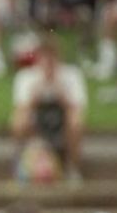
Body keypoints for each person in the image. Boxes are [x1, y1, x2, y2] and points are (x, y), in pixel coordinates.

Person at [11, 36, 87, 181]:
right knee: (18, 122)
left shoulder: (72, 76)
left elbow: (77, 110)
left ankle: (73, 168)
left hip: (62, 123)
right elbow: (21, 111)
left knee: (76, 122)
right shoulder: (25, 77)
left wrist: (61, 94)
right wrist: (35, 95)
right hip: (36, 126)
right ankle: (21, 165)